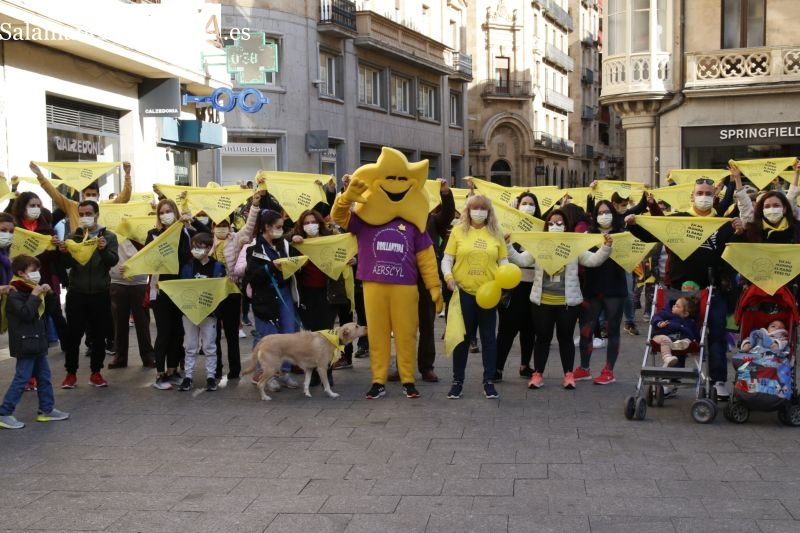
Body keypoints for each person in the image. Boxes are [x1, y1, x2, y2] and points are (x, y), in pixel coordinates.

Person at [626, 177, 743, 399]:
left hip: (712, 289)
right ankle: (673, 380)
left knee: (717, 335)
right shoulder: (678, 219)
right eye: (700, 193)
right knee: (675, 331)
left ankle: (718, 382)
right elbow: (651, 233)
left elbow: (740, 241)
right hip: (678, 288)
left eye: (709, 193)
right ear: (692, 196)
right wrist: (633, 225)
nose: (704, 197)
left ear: (714, 197)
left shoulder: (721, 223)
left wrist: (739, 229)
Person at [507, 209, 613, 390]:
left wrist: (606, 247)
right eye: (551, 223)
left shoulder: (572, 245)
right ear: (546, 226)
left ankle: (568, 374)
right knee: (542, 338)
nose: (555, 226)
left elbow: (592, 260)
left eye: (559, 223)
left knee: (566, 339)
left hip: (567, 302)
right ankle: (538, 373)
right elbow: (522, 260)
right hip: (542, 301)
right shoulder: (541, 244)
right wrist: (508, 245)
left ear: (566, 226)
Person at [441, 195, 508, 399]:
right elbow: (447, 259)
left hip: (488, 294)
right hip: (464, 294)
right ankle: (457, 381)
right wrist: (448, 276)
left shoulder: (496, 234)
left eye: (483, 208)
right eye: (475, 208)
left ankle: (489, 381)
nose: (479, 212)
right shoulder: (458, 232)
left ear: (489, 212)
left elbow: (503, 261)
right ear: (467, 211)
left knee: (489, 339)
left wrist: (503, 280)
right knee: (462, 339)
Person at [0, 255, 69, 429]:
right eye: (33, 270)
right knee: (22, 378)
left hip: (37, 341)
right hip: (25, 343)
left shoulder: (32, 289)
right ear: (21, 273)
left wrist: (50, 294)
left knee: (44, 377)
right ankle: (4, 412)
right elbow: (26, 314)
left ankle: (46, 409)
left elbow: (49, 312)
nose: (37, 274)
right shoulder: (15, 293)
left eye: (38, 270)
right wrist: (35, 295)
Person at [56, 200, 119, 388]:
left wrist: (103, 249)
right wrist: (64, 252)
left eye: (88, 213)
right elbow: (67, 264)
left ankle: (96, 372)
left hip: (100, 292)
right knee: (73, 335)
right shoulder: (74, 236)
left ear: (97, 214)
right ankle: (71, 373)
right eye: (81, 214)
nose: (84, 217)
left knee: (99, 335)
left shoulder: (108, 236)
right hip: (77, 292)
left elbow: (112, 261)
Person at [243, 209, 300, 392]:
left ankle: (285, 372)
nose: (280, 230)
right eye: (277, 227)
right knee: (268, 338)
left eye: (282, 227)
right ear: (266, 227)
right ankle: (267, 374)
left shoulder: (283, 244)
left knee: (289, 335)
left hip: (284, 294)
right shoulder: (254, 248)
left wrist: (298, 244)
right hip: (265, 299)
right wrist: (271, 266)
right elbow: (253, 276)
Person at [575, 200, 629, 385]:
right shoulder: (587, 235)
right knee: (586, 329)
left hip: (615, 288)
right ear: (594, 215)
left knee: (613, 329)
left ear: (613, 214)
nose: (603, 215)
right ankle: (584, 368)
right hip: (592, 288)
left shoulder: (623, 235)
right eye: (600, 212)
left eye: (607, 212)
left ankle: (609, 370)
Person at [9, 190, 68, 350]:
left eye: (38, 205)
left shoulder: (47, 229)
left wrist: (55, 247)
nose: (35, 208)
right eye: (31, 205)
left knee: (53, 311)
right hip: (21, 280)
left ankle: (68, 345)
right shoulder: (13, 229)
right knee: (28, 315)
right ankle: (32, 346)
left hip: (44, 277)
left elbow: (56, 260)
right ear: (22, 207)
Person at [212, 188, 260, 380]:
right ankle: (215, 367)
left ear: (229, 225)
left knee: (231, 333)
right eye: (218, 224)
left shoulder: (236, 238)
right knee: (212, 334)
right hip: (212, 292)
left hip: (231, 291)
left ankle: (234, 369)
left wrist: (255, 206)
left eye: (224, 224)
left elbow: (249, 227)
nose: (221, 227)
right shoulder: (208, 242)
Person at [290, 209, 342, 384]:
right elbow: (278, 239)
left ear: (319, 223)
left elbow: (347, 250)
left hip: (327, 293)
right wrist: (292, 239)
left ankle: (327, 373)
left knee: (327, 336)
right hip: (306, 294)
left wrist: (352, 260)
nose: (309, 225)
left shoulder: (330, 240)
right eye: (305, 223)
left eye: (312, 222)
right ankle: (312, 374)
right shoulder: (297, 243)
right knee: (310, 337)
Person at [146, 198, 192, 390]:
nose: (165, 215)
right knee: (164, 331)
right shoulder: (153, 234)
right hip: (160, 288)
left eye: (168, 211)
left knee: (177, 331)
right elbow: (147, 258)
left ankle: (173, 370)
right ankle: (160, 373)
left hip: (178, 288)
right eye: (161, 212)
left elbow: (185, 258)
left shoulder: (184, 233)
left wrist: (181, 229)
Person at [495, 191, 538, 380]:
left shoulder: (541, 230)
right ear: (518, 205)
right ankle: (497, 368)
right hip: (512, 288)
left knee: (529, 330)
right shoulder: (507, 228)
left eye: (531, 203)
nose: (527, 206)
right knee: (507, 330)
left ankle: (525, 365)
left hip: (533, 287)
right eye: (524, 203)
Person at [30, 160, 132, 235]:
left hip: (100, 247)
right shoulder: (72, 206)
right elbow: (55, 195)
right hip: (78, 246)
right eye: (88, 194)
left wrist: (127, 174)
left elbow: (125, 198)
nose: (90, 197)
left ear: (98, 195)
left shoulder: (105, 206)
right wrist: (41, 177)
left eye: (93, 195)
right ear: (83, 195)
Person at [178, 232, 226, 391]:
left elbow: (220, 289)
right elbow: (184, 288)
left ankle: (211, 376)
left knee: (209, 346)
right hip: (190, 312)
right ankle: (188, 376)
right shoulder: (188, 267)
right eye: (194, 246)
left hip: (209, 313)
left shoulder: (217, 266)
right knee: (190, 346)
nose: (196, 249)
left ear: (208, 248)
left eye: (200, 246)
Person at [107, 229, 155, 369]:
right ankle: (120, 357)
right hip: (117, 282)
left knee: (142, 322)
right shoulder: (110, 232)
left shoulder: (142, 231)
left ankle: (148, 356)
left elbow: (148, 253)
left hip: (139, 282)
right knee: (119, 323)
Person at [651, 296, 701, 367]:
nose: (673, 306)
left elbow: (695, 333)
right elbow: (656, 317)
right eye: (674, 304)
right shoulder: (667, 314)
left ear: (685, 314)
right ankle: (667, 358)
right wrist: (660, 323)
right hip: (661, 336)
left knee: (688, 338)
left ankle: (683, 344)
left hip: (678, 342)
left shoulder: (690, 322)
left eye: (677, 306)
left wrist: (697, 343)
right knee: (665, 339)